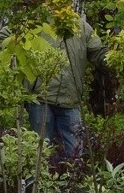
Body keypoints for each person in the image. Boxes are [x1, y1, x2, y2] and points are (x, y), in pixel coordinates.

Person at [27, 14, 107, 158]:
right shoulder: (38, 23)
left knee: (75, 152)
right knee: (40, 152)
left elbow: (98, 53)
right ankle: (36, 180)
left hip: (71, 99)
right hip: (41, 98)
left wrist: (118, 59)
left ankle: (74, 179)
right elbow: (5, 38)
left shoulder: (82, 27)